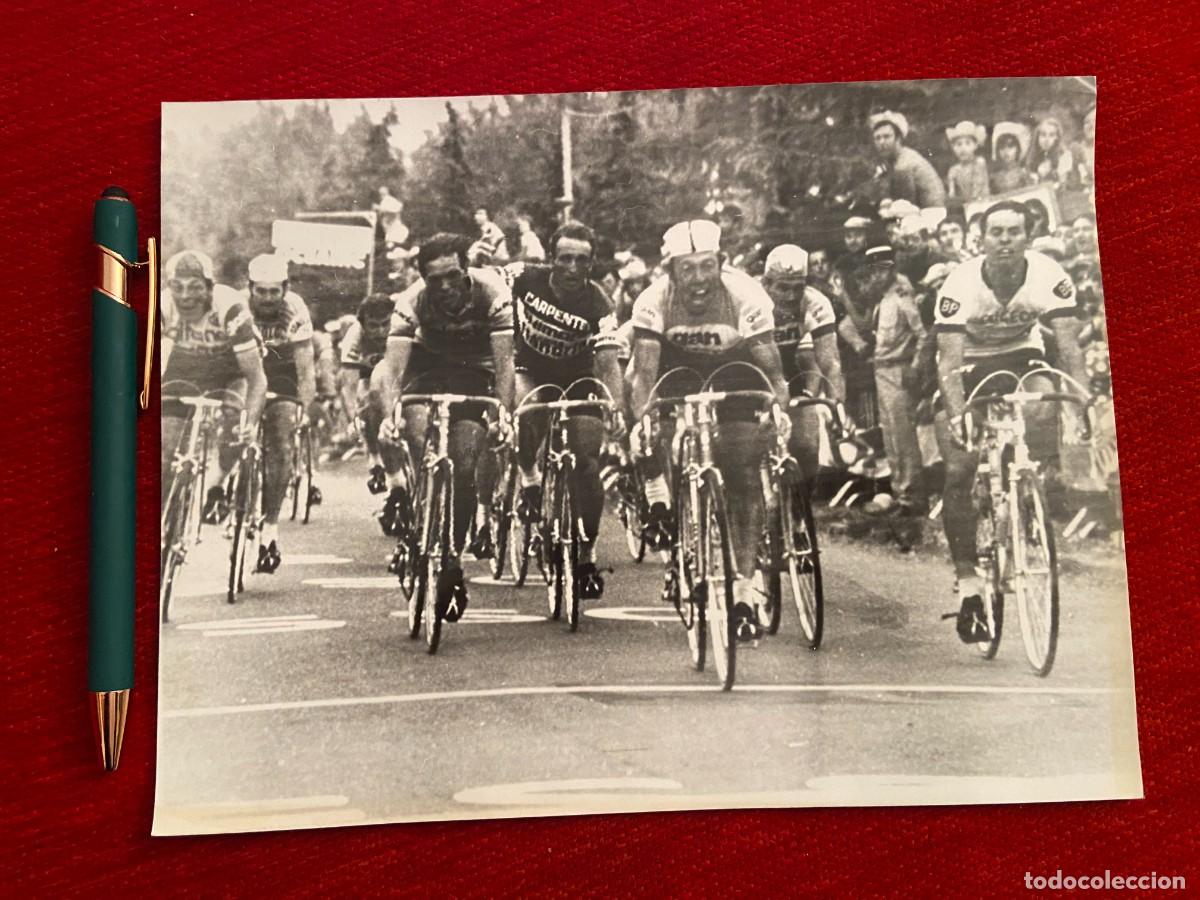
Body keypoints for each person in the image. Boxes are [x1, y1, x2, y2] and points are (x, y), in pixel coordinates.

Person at [933, 201, 1089, 641]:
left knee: (1044, 401)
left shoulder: (1049, 275)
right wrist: (960, 414)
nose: (1004, 240)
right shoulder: (960, 282)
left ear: (1027, 236)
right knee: (959, 466)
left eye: (1013, 232)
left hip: (1022, 354)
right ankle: (968, 584)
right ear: (981, 240)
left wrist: (1079, 401)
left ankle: (1026, 478)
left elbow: (1070, 348)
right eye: (996, 233)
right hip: (968, 364)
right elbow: (948, 362)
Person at [627, 220, 790, 638]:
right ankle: (665, 502)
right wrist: (645, 422)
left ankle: (742, 591)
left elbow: (773, 372)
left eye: (707, 267)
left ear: (721, 263)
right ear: (670, 271)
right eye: (687, 269)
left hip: (734, 370)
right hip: (675, 368)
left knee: (742, 472)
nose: (698, 280)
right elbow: (644, 376)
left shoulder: (747, 296)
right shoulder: (652, 300)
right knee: (657, 433)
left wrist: (778, 414)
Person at [375, 233, 515, 620]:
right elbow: (393, 370)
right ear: (424, 279)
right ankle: (420, 504)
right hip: (427, 367)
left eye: (453, 275)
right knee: (415, 428)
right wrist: (391, 417)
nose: (445, 286)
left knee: (466, 462)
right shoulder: (411, 302)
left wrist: (502, 415)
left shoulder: (493, 292)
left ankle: (451, 556)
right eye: (435, 280)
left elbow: (505, 366)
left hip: (475, 370)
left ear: (466, 270)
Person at [508, 221, 626, 599]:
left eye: (582, 260)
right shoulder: (523, 277)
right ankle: (529, 478)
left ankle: (586, 556)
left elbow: (608, 363)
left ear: (591, 264)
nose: (573, 268)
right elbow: (481, 283)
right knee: (526, 412)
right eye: (565, 259)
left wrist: (615, 408)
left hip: (579, 377)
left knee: (588, 463)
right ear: (550, 258)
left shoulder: (599, 303)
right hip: (531, 369)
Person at [160, 250, 267, 519]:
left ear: (210, 287)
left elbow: (256, 379)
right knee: (164, 448)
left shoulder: (230, 307)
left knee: (235, 425)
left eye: (195, 287)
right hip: (185, 368)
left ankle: (216, 485)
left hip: (230, 369)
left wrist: (249, 422)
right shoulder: (162, 305)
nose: (185, 296)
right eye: (178, 287)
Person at [242, 254, 317, 574]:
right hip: (244, 370)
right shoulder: (238, 309)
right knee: (234, 428)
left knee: (282, 445)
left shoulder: (296, 310)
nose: (269, 298)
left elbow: (305, 367)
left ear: (285, 289)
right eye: (262, 291)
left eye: (276, 291)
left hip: (282, 372)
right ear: (250, 289)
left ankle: (269, 530)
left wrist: (305, 408)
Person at [850, 247, 929, 515]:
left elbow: (922, 335)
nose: (877, 275)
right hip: (882, 370)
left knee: (903, 436)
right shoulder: (882, 298)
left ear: (891, 269)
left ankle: (912, 497)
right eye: (874, 270)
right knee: (891, 435)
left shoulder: (902, 294)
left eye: (883, 269)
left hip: (899, 370)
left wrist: (916, 367)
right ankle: (899, 492)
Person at [759, 244, 847, 484]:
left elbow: (829, 362)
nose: (790, 296)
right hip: (749, 371)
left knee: (807, 447)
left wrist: (836, 405)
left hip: (788, 371)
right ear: (766, 283)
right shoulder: (749, 299)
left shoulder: (815, 303)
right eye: (783, 288)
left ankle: (800, 510)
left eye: (797, 288)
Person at [338, 293, 395, 494]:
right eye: (373, 325)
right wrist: (353, 417)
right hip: (366, 374)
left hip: (397, 370)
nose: (380, 331)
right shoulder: (353, 337)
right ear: (363, 325)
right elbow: (349, 385)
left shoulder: (403, 327)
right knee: (368, 401)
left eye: (385, 324)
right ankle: (375, 458)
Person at [869, 111, 947, 208]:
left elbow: (905, 205)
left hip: (930, 214)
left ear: (898, 138)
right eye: (877, 138)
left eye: (887, 136)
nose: (882, 142)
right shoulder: (894, 160)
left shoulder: (903, 164)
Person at [945, 121, 990, 203]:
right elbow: (952, 194)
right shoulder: (953, 170)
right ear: (953, 147)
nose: (963, 148)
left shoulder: (979, 163)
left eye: (968, 143)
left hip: (982, 203)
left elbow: (978, 189)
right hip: (965, 205)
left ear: (975, 145)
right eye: (959, 144)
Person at [1026, 117, 1077, 189]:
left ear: (1056, 138)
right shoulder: (1034, 155)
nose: (1047, 139)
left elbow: (1063, 182)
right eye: (1043, 135)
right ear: (1037, 137)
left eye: (1051, 135)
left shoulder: (1063, 155)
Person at [989, 123, 1035, 194]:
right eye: (1002, 147)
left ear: (1018, 149)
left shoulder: (1024, 175)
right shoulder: (993, 178)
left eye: (1010, 146)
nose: (1006, 151)